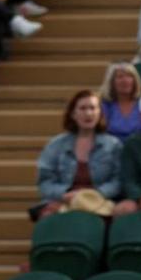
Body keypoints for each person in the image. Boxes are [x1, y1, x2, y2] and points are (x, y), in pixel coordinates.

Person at [35, 90, 123, 220]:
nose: (88, 113)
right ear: (73, 114)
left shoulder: (113, 145)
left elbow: (119, 179)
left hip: (99, 201)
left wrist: (96, 194)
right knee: (49, 216)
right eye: (82, 108)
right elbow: (45, 182)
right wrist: (64, 194)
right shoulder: (55, 145)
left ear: (99, 113)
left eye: (93, 108)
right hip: (65, 201)